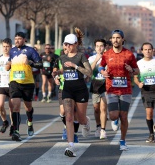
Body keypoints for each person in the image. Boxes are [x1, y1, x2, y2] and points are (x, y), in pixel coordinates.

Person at [52, 28, 92, 157]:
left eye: (69, 44)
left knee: (80, 119)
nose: (66, 46)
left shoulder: (81, 56)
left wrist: (75, 66)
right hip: (67, 89)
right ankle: (71, 146)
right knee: (68, 117)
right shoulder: (62, 57)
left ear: (75, 44)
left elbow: (89, 72)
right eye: (65, 44)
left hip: (80, 90)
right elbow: (64, 70)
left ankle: (86, 123)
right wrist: (56, 75)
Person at [99, 29, 139, 151]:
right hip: (111, 88)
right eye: (113, 38)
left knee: (124, 116)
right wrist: (103, 71)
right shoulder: (107, 54)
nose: (115, 40)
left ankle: (122, 140)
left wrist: (131, 70)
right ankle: (114, 121)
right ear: (111, 40)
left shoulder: (129, 54)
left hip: (126, 89)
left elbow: (137, 70)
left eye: (118, 38)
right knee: (113, 116)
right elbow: (101, 66)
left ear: (122, 40)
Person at [5, 32, 43, 141]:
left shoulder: (31, 51)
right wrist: (8, 66)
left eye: (19, 39)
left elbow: (40, 65)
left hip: (28, 83)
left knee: (28, 107)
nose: (16, 41)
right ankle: (16, 131)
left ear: (24, 39)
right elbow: (9, 64)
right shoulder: (12, 51)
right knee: (15, 106)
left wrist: (30, 62)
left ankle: (29, 122)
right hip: (14, 82)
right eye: (15, 39)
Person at [134, 42, 155, 142]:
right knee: (149, 113)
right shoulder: (139, 63)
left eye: (149, 49)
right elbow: (135, 78)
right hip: (146, 91)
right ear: (142, 51)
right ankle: (151, 134)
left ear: (153, 50)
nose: (147, 51)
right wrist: (138, 84)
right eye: (145, 49)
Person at [88, 38, 107, 139]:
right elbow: (89, 71)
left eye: (101, 46)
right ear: (95, 47)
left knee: (103, 108)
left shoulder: (109, 57)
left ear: (104, 47)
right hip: (95, 84)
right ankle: (98, 126)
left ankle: (103, 130)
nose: (99, 48)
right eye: (97, 46)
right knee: (96, 109)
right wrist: (96, 60)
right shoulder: (91, 58)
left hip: (106, 84)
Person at [0, 38, 14, 135]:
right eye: (4, 46)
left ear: (11, 47)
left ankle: (13, 126)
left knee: (12, 108)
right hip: (1, 84)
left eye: (7, 46)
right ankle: (5, 122)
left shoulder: (14, 58)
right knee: (0, 106)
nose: (5, 48)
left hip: (12, 85)